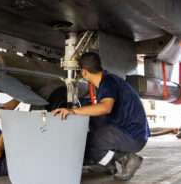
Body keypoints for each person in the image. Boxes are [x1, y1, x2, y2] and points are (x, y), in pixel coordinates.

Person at [52, 52, 150, 181]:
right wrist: (79, 108)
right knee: (93, 121)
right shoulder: (108, 79)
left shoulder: (108, 82)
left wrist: (73, 112)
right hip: (131, 131)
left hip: (132, 135)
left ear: (84, 72)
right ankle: (108, 165)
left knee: (87, 144)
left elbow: (105, 108)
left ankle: (127, 159)